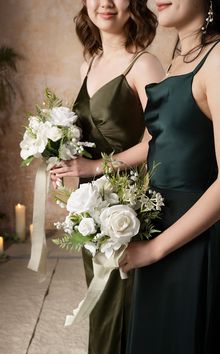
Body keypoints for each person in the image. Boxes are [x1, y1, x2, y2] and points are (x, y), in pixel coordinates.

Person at [50, 1, 164, 353]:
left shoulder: (144, 63)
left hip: (131, 204)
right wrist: (63, 155)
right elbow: (89, 137)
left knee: (122, 301)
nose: (106, 3)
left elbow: (159, 140)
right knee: (101, 301)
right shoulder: (91, 61)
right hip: (91, 203)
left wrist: (94, 167)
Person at [118, 1, 220, 353]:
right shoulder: (178, 59)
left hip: (194, 240)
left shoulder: (218, 59)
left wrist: (154, 250)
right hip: (161, 227)